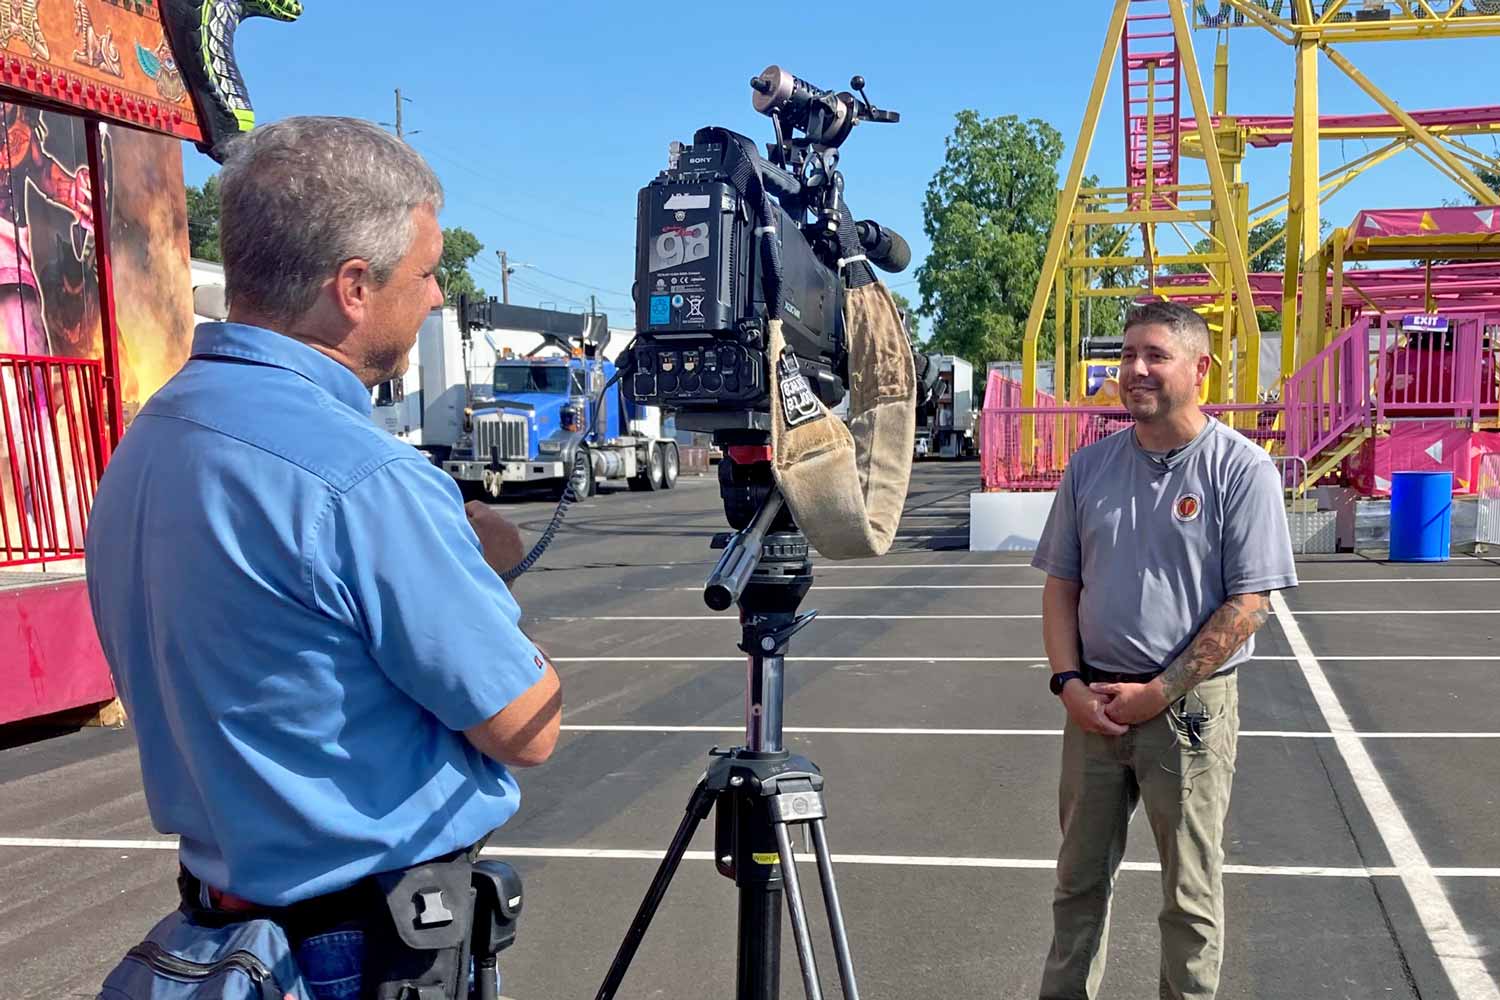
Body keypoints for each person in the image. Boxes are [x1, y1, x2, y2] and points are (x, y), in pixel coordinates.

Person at [84, 117, 561, 1000]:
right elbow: (526, 726)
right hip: (361, 949)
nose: (432, 300)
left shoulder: (150, 441)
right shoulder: (362, 478)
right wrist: (465, 559)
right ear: (353, 286)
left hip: (230, 932)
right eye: (425, 275)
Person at [1031, 301, 1298, 1000]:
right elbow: (1061, 586)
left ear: (1200, 368)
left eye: (1155, 355)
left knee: (1188, 897)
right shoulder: (1089, 468)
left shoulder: (1241, 469)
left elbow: (1247, 607)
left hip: (1187, 715)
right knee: (1077, 887)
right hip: (1091, 708)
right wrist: (1068, 684)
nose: (1135, 370)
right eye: (1126, 356)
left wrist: (1160, 692)